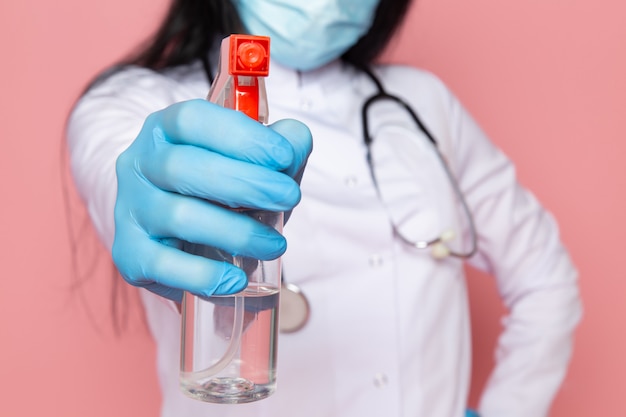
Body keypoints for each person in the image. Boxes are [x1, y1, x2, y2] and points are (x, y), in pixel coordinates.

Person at [66, 0, 582, 416]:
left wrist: (511, 407)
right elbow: (113, 165)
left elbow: (546, 280)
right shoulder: (133, 102)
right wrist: (144, 197)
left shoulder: (422, 103)